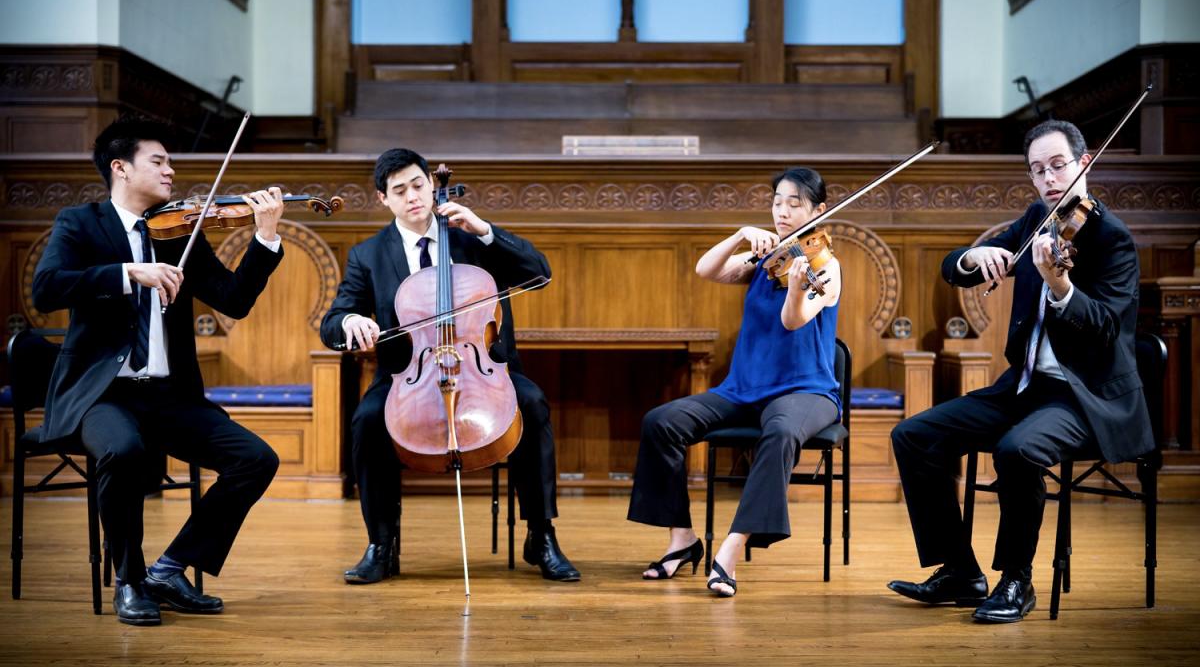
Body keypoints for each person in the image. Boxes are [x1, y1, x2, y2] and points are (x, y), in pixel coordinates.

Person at [887, 120, 1153, 623]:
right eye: (1037, 170)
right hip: (1026, 387)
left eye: (1058, 166)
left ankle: (1016, 580)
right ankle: (961, 571)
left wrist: (1060, 287)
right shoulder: (1039, 217)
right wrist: (973, 255)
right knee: (914, 435)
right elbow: (953, 266)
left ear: (1084, 163)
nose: (1049, 178)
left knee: (1018, 450)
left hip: (1085, 396)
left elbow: (1105, 327)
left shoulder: (1113, 241)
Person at [32, 117, 285, 625]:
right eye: (159, 160)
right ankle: (128, 579)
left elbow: (233, 301)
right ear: (120, 168)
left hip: (169, 397)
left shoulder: (177, 231)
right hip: (102, 394)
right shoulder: (80, 223)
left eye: (170, 161)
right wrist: (129, 273)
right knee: (123, 450)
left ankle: (168, 570)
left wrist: (265, 236)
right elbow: (47, 288)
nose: (171, 171)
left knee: (256, 459)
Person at [319, 148, 579, 583]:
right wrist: (351, 320)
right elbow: (332, 322)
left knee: (532, 406)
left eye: (418, 185)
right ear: (384, 199)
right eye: (399, 191)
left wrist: (486, 230)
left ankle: (542, 534)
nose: (413, 197)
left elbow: (539, 273)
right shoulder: (368, 256)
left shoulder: (468, 237)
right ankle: (381, 544)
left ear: (430, 183)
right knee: (366, 420)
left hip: (486, 370)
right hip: (409, 375)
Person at [627, 167, 843, 597]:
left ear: (818, 210)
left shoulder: (827, 266)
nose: (782, 212)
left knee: (780, 431)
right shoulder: (764, 259)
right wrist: (741, 235)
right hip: (744, 388)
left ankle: (729, 549)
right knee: (660, 421)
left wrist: (798, 287)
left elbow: (793, 319)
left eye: (794, 204)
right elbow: (706, 269)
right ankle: (682, 540)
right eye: (777, 202)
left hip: (807, 390)